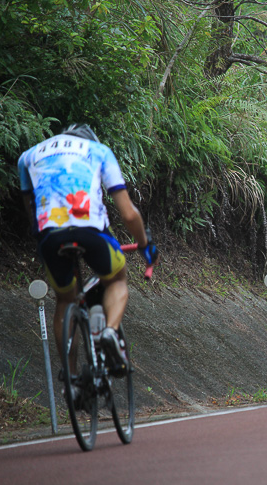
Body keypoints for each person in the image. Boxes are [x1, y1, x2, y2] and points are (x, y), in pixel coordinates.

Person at [18, 123, 158, 385]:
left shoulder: (28, 156)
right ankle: (109, 332)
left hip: (50, 235)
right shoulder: (98, 150)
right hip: (90, 231)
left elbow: (30, 208)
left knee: (64, 301)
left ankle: (70, 378)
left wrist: (43, 236)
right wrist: (144, 244)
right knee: (116, 280)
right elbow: (129, 214)